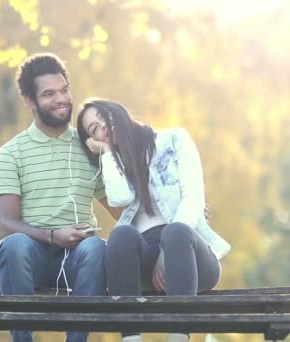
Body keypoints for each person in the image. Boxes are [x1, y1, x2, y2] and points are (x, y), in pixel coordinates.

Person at [77, 98, 231, 342]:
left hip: (188, 255)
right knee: (120, 235)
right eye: (94, 129)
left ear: (116, 111)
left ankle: (178, 338)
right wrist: (107, 154)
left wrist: (165, 252)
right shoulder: (115, 166)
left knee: (176, 232)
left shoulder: (174, 139)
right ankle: (131, 338)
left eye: (103, 118)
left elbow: (193, 199)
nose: (102, 128)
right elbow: (119, 198)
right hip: (145, 265)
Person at [0, 53, 119, 342]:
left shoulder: (89, 147)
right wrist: (52, 236)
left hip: (78, 261)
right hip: (29, 259)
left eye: (64, 90)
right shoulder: (11, 154)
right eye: (49, 94)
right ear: (30, 101)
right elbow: (7, 223)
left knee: (97, 247)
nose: (61, 99)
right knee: (13, 244)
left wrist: (178, 211)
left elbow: (123, 210)